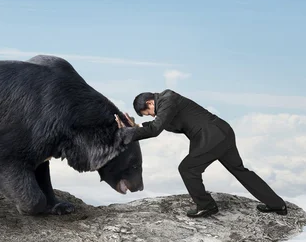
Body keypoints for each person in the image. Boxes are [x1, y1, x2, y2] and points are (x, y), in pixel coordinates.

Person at [115, 89, 287, 218]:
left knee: (187, 169)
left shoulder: (168, 99)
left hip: (212, 136)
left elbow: (155, 129)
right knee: (240, 171)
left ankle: (206, 205)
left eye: (148, 113)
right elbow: (160, 125)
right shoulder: (168, 104)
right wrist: (136, 129)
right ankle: (277, 205)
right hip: (220, 133)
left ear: (150, 103)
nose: (151, 116)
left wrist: (127, 133)